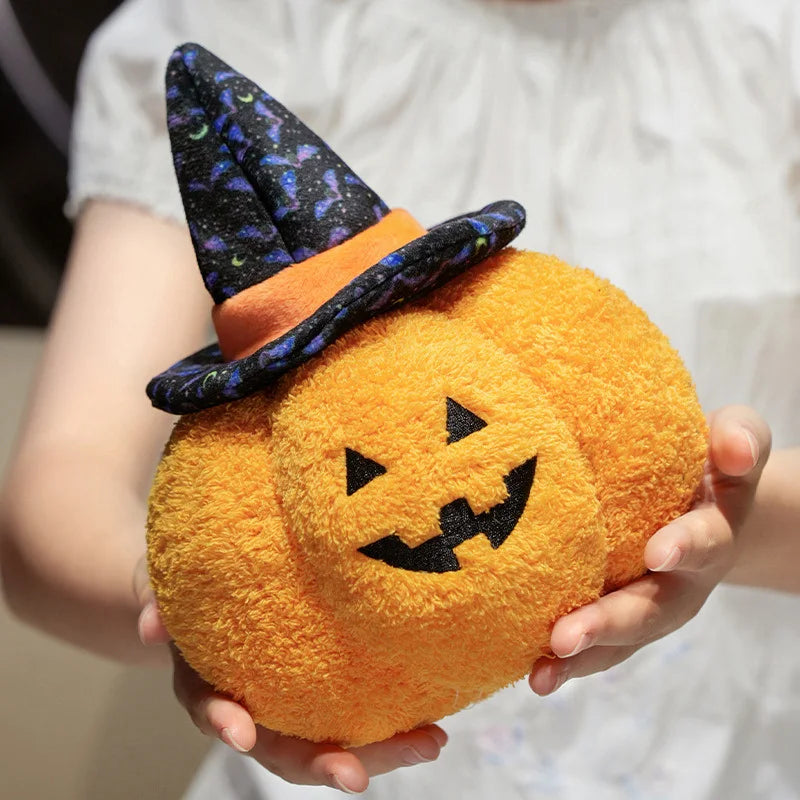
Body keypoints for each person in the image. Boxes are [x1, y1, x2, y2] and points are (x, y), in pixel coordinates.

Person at [1, 0, 799, 797]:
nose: (432, 482)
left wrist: (723, 523)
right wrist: (191, 611)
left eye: (458, 428)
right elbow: (62, 482)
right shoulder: (244, 20)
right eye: (368, 471)